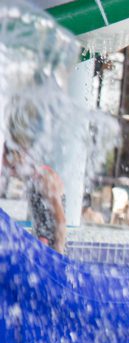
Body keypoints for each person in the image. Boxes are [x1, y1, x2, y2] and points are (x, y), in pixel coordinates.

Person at [3, 100, 66, 253]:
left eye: (12, 167)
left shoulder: (44, 178)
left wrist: (59, 257)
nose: (10, 173)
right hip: (41, 245)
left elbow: (60, 220)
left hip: (53, 249)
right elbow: (39, 222)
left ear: (20, 157)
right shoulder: (31, 179)